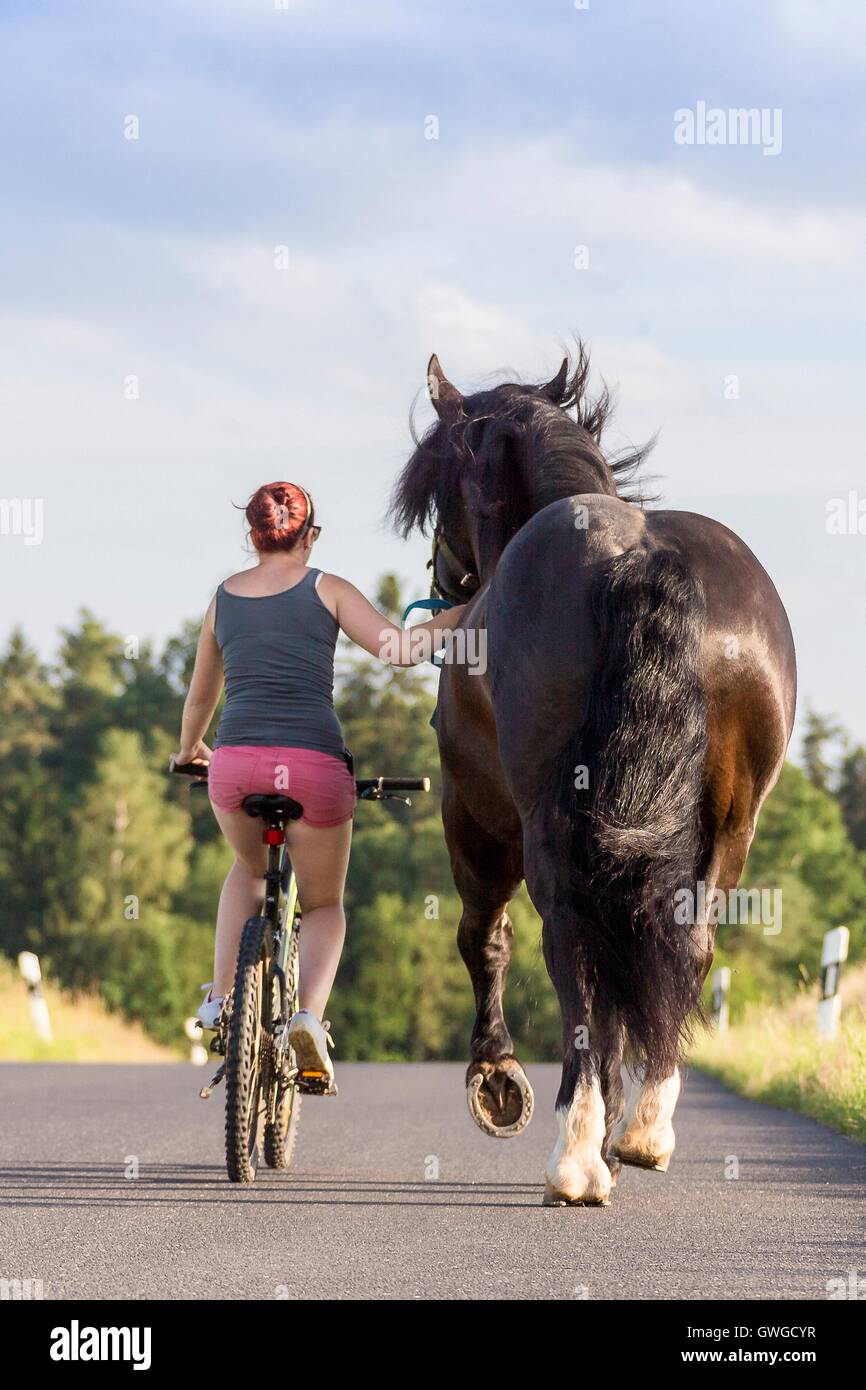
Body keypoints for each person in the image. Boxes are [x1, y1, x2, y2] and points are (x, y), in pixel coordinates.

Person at [172, 481, 465, 1092]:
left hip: (235, 765)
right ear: (310, 536)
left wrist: (190, 749)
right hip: (314, 769)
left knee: (249, 873)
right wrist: (465, 611)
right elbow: (400, 649)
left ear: (253, 537)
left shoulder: (222, 599)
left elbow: (203, 693)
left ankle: (221, 997)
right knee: (325, 905)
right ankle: (307, 1017)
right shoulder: (326, 587)